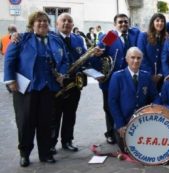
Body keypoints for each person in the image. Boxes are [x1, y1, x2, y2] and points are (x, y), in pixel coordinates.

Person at [3, 11, 68, 166]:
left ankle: (45, 154)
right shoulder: (21, 39)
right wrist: (11, 80)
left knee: (46, 122)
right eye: (39, 21)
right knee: (25, 123)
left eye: (45, 21)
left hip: (48, 87)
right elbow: (9, 59)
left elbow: (65, 59)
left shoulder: (55, 39)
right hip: (26, 88)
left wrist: (62, 74)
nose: (42, 23)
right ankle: (24, 153)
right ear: (32, 24)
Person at [95, 13, 140, 144]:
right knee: (110, 106)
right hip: (111, 79)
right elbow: (98, 54)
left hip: (129, 78)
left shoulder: (134, 34)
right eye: (120, 22)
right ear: (115, 24)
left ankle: (127, 131)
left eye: (126, 22)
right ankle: (110, 133)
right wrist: (99, 74)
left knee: (127, 105)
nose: (123, 24)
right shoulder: (110, 36)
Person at [109, 47, 160, 152]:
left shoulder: (146, 76)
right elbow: (112, 102)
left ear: (142, 59)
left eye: (138, 58)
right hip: (125, 121)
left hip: (143, 120)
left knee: (151, 147)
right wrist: (120, 125)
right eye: (132, 57)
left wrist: (151, 110)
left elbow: (156, 97)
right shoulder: (117, 76)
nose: (136, 61)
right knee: (127, 149)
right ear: (126, 59)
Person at [50, 13, 88, 154]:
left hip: (74, 82)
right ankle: (51, 143)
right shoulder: (50, 38)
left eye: (69, 21)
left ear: (72, 24)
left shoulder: (78, 39)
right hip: (57, 82)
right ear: (57, 24)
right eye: (63, 20)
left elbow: (84, 57)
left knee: (70, 113)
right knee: (55, 115)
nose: (66, 23)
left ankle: (67, 141)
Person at [138, 13, 167, 90]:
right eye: (157, 21)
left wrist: (160, 74)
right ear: (152, 22)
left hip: (161, 77)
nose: (160, 23)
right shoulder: (143, 36)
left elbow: (165, 58)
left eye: (162, 21)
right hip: (146, 74)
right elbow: (141, 56)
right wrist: (150, 74)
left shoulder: (166, 38)